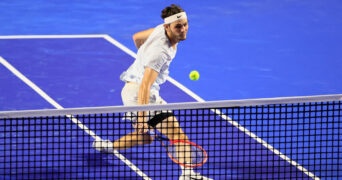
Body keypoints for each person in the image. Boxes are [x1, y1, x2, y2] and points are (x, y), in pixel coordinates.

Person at [93, 4, 212, 180]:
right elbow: (145, 86)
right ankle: (188, 174)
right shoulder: (160, 53)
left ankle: (107, 146)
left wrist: (142, 58)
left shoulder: (159, 29)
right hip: (139, 93)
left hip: (132, 91)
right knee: (178, 136)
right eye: (178, 26)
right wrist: (142, 118)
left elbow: (137, 37)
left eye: (185, 24)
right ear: (167, 27)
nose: (183, 29)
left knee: (146, 138)